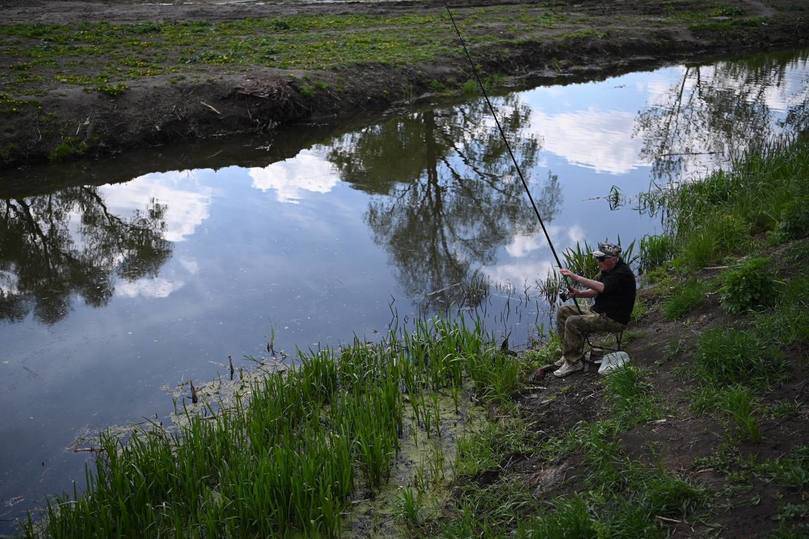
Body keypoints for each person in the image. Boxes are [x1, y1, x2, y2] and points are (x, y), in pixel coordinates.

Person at [552, 242, 636, 378]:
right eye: (598, 259)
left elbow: (602, 287)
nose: (599, 262)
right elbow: (596, 290)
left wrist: (576, 277)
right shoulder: (608, 270)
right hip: (599, 312)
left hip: (613, 319)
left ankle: (573, 363)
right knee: (564, 311)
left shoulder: (622, 273)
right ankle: (568, 354)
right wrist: (578, 293)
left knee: (572, 322)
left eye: (602, 259)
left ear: (613, 259)